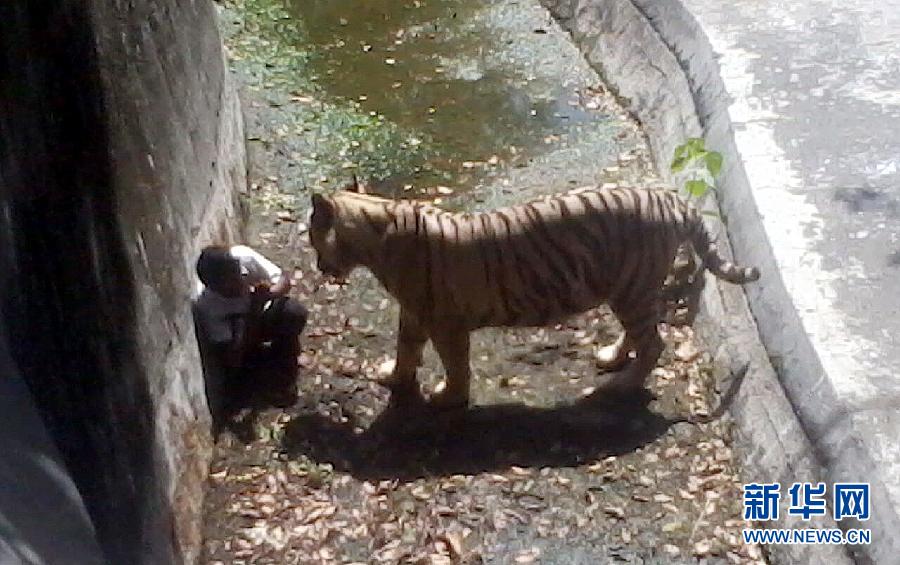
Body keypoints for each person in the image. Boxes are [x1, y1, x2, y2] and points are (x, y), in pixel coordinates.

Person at [192, 245, 307, 424]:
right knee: (240, 375)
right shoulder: (208, 307)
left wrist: (269, 294)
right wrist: (253, 312)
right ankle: (267, 373)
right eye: (230, 282)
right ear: (214, 287)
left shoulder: (243, 257)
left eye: (237, 273)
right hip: (242, 338)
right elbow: (232, 357)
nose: (239, 281)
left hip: (262, 314)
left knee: (293, 312)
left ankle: (284, 359)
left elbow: (284, 280)